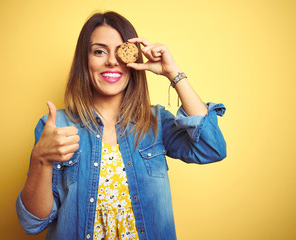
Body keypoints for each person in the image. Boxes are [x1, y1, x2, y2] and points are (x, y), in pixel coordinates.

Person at [16, 11, 226, 240]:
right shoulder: (55, 127)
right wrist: (41, 160)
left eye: (120, 52)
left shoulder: (155, 122)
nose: (112, 61)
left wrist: (172, 73)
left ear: (133, 59)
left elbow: (211, 148)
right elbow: (32, 223)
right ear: (84, 61)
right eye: (99, 51)